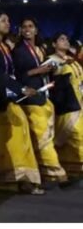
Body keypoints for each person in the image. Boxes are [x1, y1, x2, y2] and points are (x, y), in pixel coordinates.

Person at [0, 11, 44, 194]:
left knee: (17, 135)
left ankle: (20, 179)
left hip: (6, 100)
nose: (7, 23)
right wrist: (21, 88)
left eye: (8, 20)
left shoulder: (3, 47)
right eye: (3, 20)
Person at [12, 18, 67, 183]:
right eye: (24, 27)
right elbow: (19, 76)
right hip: (30, 96)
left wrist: (50, 70)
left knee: (45, 136)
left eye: (31, 26)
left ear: (36, 30)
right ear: (20, 31)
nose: (27, 29)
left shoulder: (40, 49)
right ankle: (57, 174)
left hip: (44, 95)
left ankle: (43, 172)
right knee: (43, 138)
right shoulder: (19, 50)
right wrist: (38, 70)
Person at [49, 33, 83, 178]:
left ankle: (71, 169)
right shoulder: (52, 60)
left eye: (67, 39)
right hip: (67, 106)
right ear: (54, 44)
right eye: (61, 39)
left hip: (79, 103)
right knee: (77, 137)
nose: (66, 41)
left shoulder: (72, 60)